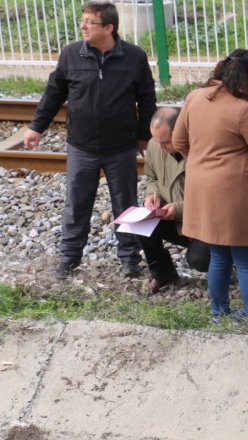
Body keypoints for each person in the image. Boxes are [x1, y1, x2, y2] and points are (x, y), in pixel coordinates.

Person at [23, 1, 156, 279]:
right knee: (77, 204)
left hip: (121, 147)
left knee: (126, 205)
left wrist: (144, 135)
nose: (83, 26)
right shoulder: (71, 54)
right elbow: (53, 94)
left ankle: (129, 260)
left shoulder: (134, 57)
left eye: (89, 22)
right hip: (81, 147)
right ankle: (69, 260)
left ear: (109, 28)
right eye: (82, 20)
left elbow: (147, 99)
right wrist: (37, 127)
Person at [172, 49, 248, 333]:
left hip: (202, 190)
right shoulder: (244, 110)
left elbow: (178, 141)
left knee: (219, 256)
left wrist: (203, 162)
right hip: (236, 193)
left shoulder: (195, 97)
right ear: (244, 78)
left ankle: (218, 315)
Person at [137, 108, 210, 294]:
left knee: (199, 260)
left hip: (204, 224)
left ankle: (225, 263)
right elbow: (151, 177)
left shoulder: (201, 150)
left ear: (180, 132)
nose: (160, 146)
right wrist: (152, 195)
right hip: (171, 217)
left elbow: (210, 197)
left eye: (165, 141)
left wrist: (177, 209)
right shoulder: (155, 145)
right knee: (140, 226)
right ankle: (163, 273)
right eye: (156, 140)